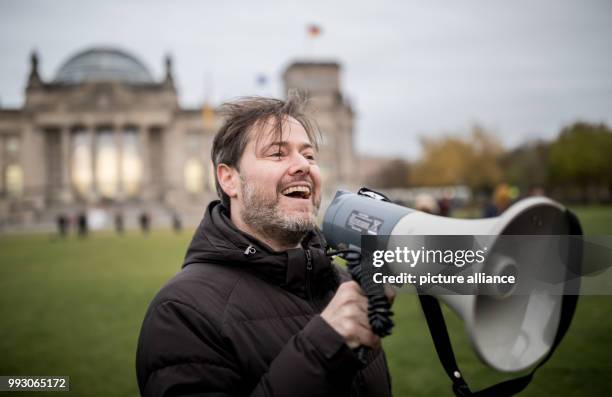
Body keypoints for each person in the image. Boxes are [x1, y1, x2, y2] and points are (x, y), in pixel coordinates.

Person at [136, 96, 393, 396]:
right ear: (229, 179)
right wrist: (325, 345)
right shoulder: (181, 313)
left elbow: (459, 267)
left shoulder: (346, 283)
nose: (303, 166)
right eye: (277, 154)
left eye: (309, 156)